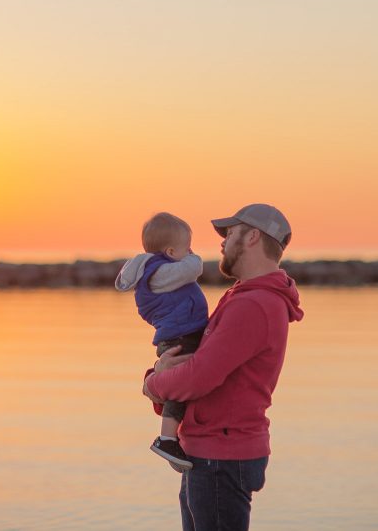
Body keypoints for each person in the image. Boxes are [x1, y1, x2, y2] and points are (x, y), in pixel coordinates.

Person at [142, 204, 304, 531]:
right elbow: (194, 363)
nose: (222, 242)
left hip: (221, 456)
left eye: (230, 234)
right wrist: (159, 373)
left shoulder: (253, 304)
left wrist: (152, 385)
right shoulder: (242, 297)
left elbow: (199, 377)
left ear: (253, 237)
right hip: (208, 452)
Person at [116, 212, 209, 472]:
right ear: (169, 251)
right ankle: (168, 439)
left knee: (182, 385)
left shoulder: (155, 271)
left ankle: (177, 438)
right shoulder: (162, 273)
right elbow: (195, 268)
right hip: (181, 336)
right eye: (186, 248)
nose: (191, 253)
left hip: (179, 332)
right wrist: (192, 257)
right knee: (180, 387)